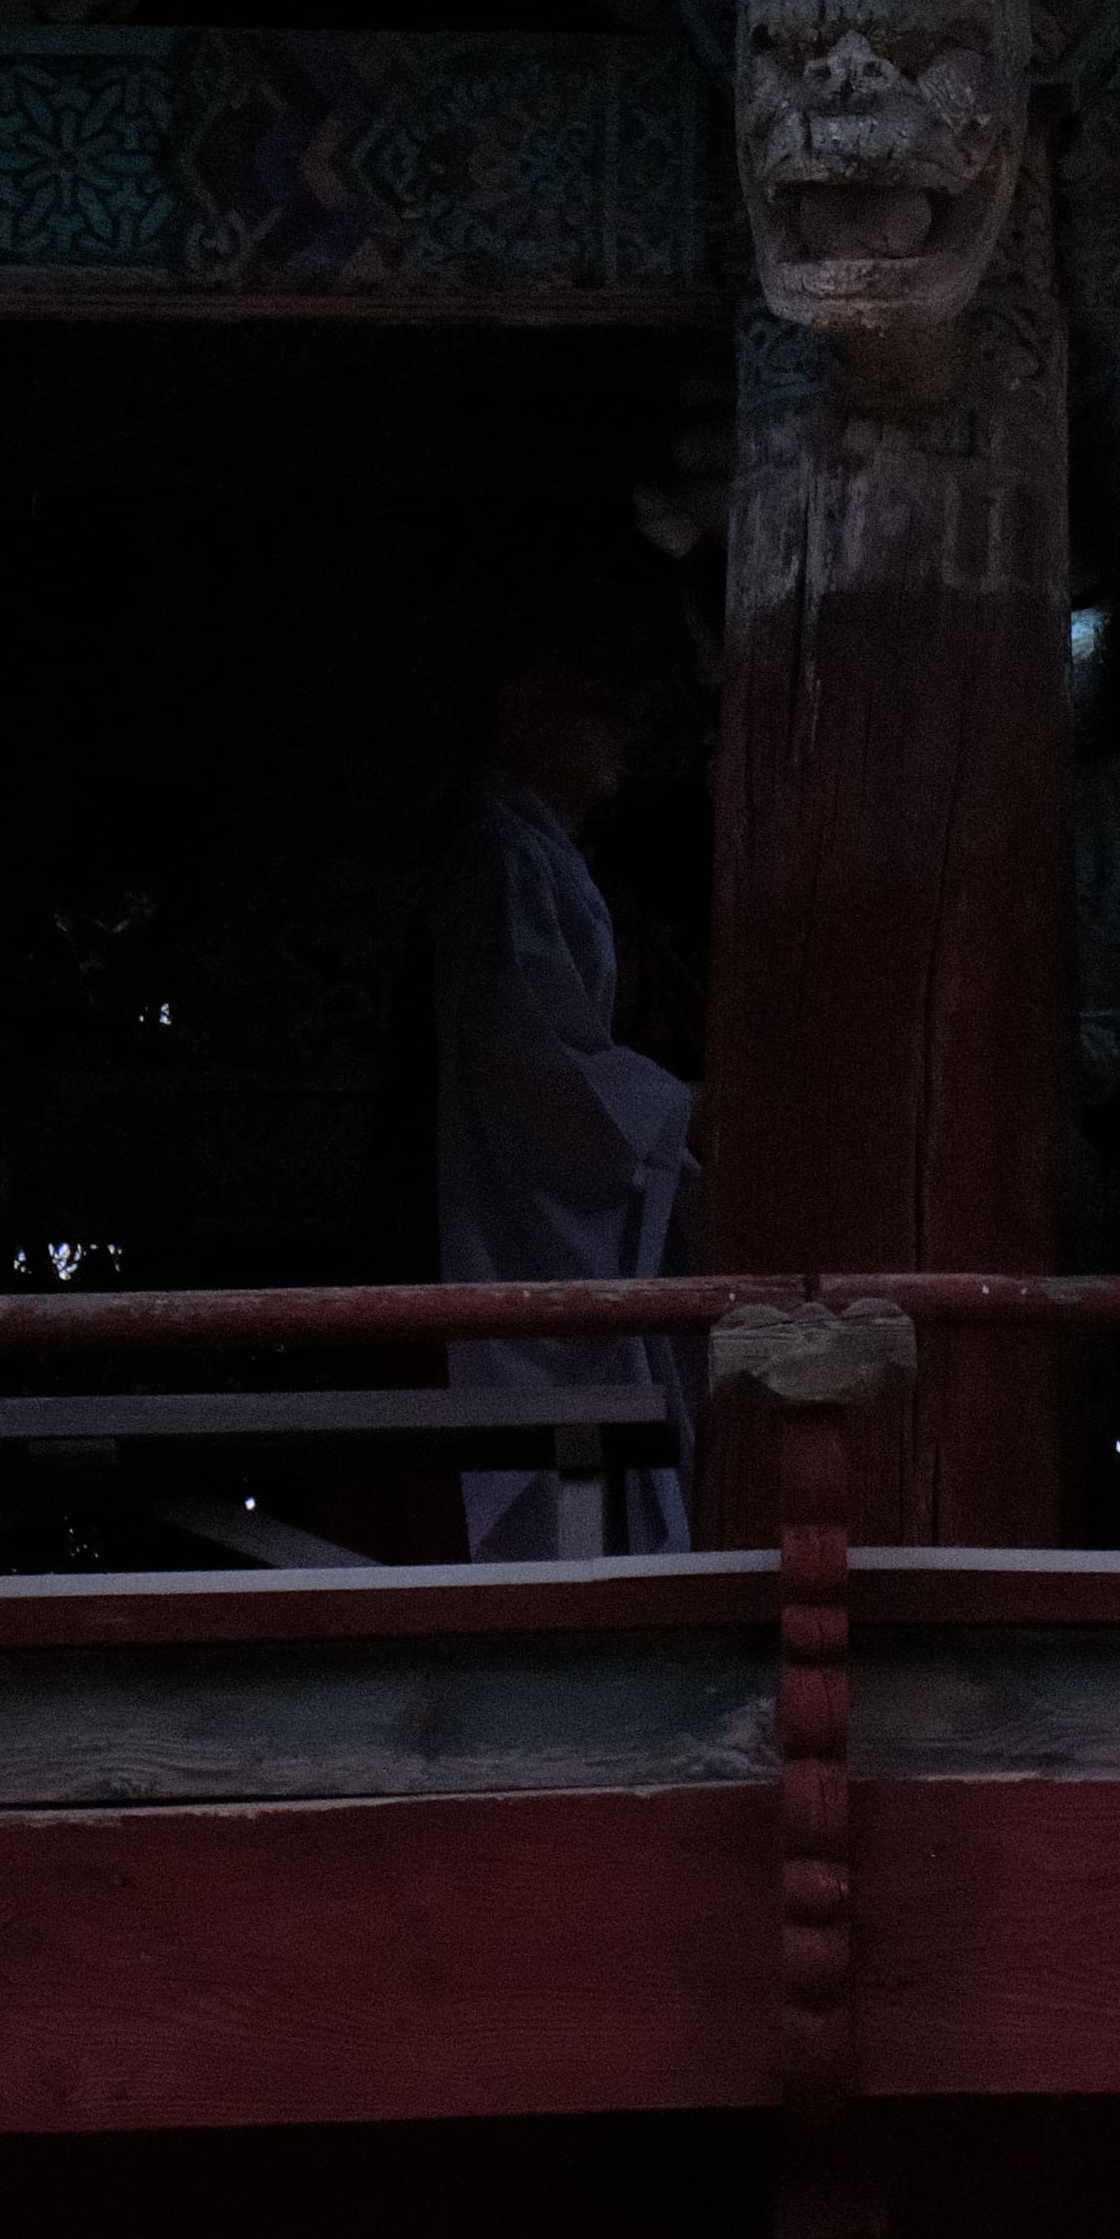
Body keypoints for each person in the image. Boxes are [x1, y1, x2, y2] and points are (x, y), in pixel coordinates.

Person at [431, 646, 702, 1559]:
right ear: (514, 712)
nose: (617, 723)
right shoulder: (498, 851)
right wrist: (679, 1116)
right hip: (507, 1220)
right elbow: (531, 1064)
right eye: (589, 698)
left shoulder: (534, 851)